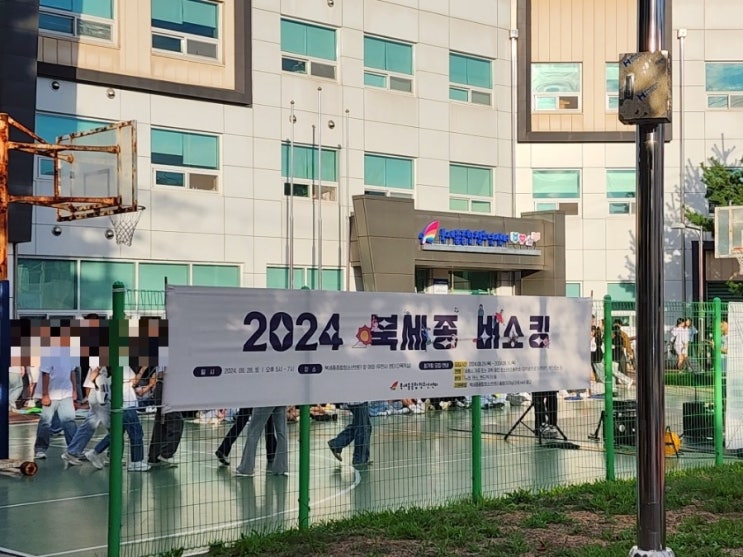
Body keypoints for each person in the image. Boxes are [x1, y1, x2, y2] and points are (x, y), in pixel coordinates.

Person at [83, 365, 150, 472]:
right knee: (136, 433)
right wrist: (142, 370)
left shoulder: (106, 369)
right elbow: (134, 382)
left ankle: (95, 451)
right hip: (127, 404)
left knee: (116, 433)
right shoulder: (122, 365)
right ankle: (136, 462)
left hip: (119, 404)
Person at [33, 330, 78, 459]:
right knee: (45, 422)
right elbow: (45, 374)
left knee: (69, 421)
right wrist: (45, 395)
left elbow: (72, 372)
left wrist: (74, 390)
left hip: (66, 393)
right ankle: (40, 448)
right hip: (51, 394)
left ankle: (74, 449)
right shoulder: (48, 354)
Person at [61, 362, 111, 466]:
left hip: (99, 393)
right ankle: (98, 453)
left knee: (88, 425)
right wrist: (99, 367)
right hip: (99, 394)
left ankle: (72, 452)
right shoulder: (98, 360)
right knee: (116, 429)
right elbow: (92, 377)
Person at [235, 406, 288, 477]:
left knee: (253, 431)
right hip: (281, 400)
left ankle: (246, 468)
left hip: (265, 402)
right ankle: (281, 467)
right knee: (282, 433)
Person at [147, 367, 185, 466]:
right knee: (176, 422)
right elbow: (159, 374)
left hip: (163, 387)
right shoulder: (169, 360)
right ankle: (166, 454)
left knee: (161, 424)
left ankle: (154, 456)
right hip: (166, 388)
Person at [327, 401, 372, 467]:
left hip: (358, 401)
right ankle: (359, 460)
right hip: (359, 402)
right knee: (362, 429)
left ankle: (337, 444)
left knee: (362, 426)